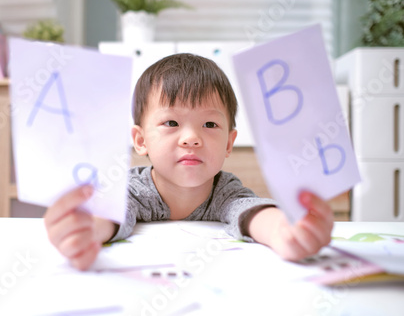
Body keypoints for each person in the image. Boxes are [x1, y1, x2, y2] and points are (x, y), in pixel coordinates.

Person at [44, 53, 334, 271]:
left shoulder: (225, 191)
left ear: (229, 143)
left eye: (209, 124)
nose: (192, 138)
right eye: (171, 122)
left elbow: (251, 212)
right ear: (141, 140)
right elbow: (112, 212)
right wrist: (84, 230)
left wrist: (284, 231)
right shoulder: (132, 189)